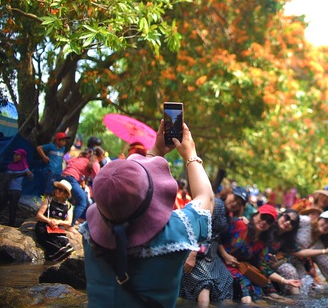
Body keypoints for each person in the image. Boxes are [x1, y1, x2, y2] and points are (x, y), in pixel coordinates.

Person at [80, 119, 214, 308]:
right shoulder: (177, 233)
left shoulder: (89, 233)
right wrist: (190, 154)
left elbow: (125, 191)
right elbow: (206, 198)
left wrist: (155, 152)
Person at [219, 204, 301, 304]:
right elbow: (217, 237)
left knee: (257, 291)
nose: (264, 222)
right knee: (244, 283)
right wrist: (224, 255)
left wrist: (286, 281)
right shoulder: (238, 225)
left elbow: (264, 268)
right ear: (255, 215)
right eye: (263, 217)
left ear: (270, 226)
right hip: (220, 261)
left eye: (269, 221)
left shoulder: (262, 243)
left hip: (239, 268)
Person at [179, 197, 233, 304]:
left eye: (239, 203)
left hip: (212, 256)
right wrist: (192, 255)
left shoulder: (228, 214)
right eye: (234, 199)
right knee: (205, 282)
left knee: (227, 279)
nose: (235, 203)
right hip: (198, 253)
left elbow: (218, 237)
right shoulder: (215, 203)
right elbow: (200, 228)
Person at [34, 179, 74, 261]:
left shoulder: (69, 206)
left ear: (66, 194)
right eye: (56, 188)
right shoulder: (49, 200)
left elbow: (69, 222)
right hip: (44, 227)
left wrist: (58, 222)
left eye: (60, 190)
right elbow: (39, 215)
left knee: (68, 248)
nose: (56, 190)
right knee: (57, 247)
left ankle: (54, 260)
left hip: (57, 229)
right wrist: (49, 221)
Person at [60, 148, 101, 226]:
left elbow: (68, 162)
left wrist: (81, 177)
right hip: (72, 179)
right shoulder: (94, 163)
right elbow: (97, 178)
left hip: (63, 176)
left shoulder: (81, 158)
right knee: (83, 202)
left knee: (78, 199)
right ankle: (70, 225)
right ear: (100, 156)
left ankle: (70, 219)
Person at [0, 149, 33, 226]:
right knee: (1, 205)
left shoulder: (25, 168)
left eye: (17, 155)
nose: (14, 156)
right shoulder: (10, 166)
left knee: (13, 207)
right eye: (14, 155)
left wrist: (29, 174)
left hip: (16, 190)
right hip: (7, 189)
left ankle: (11, 223)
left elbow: (31, 177)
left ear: (21, 157)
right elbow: (5, 178)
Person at [37, 132, 69, 197]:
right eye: (63, 140)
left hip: (58, 172)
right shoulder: (51, 146)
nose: (64, 142)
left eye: (65, 141)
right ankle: (44, 200)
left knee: (54, 189)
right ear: (57, 140)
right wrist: (44, 157)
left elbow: (61, 158)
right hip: (51, 170)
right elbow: (39, 148)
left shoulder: (63, 149)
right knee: (48, 188)